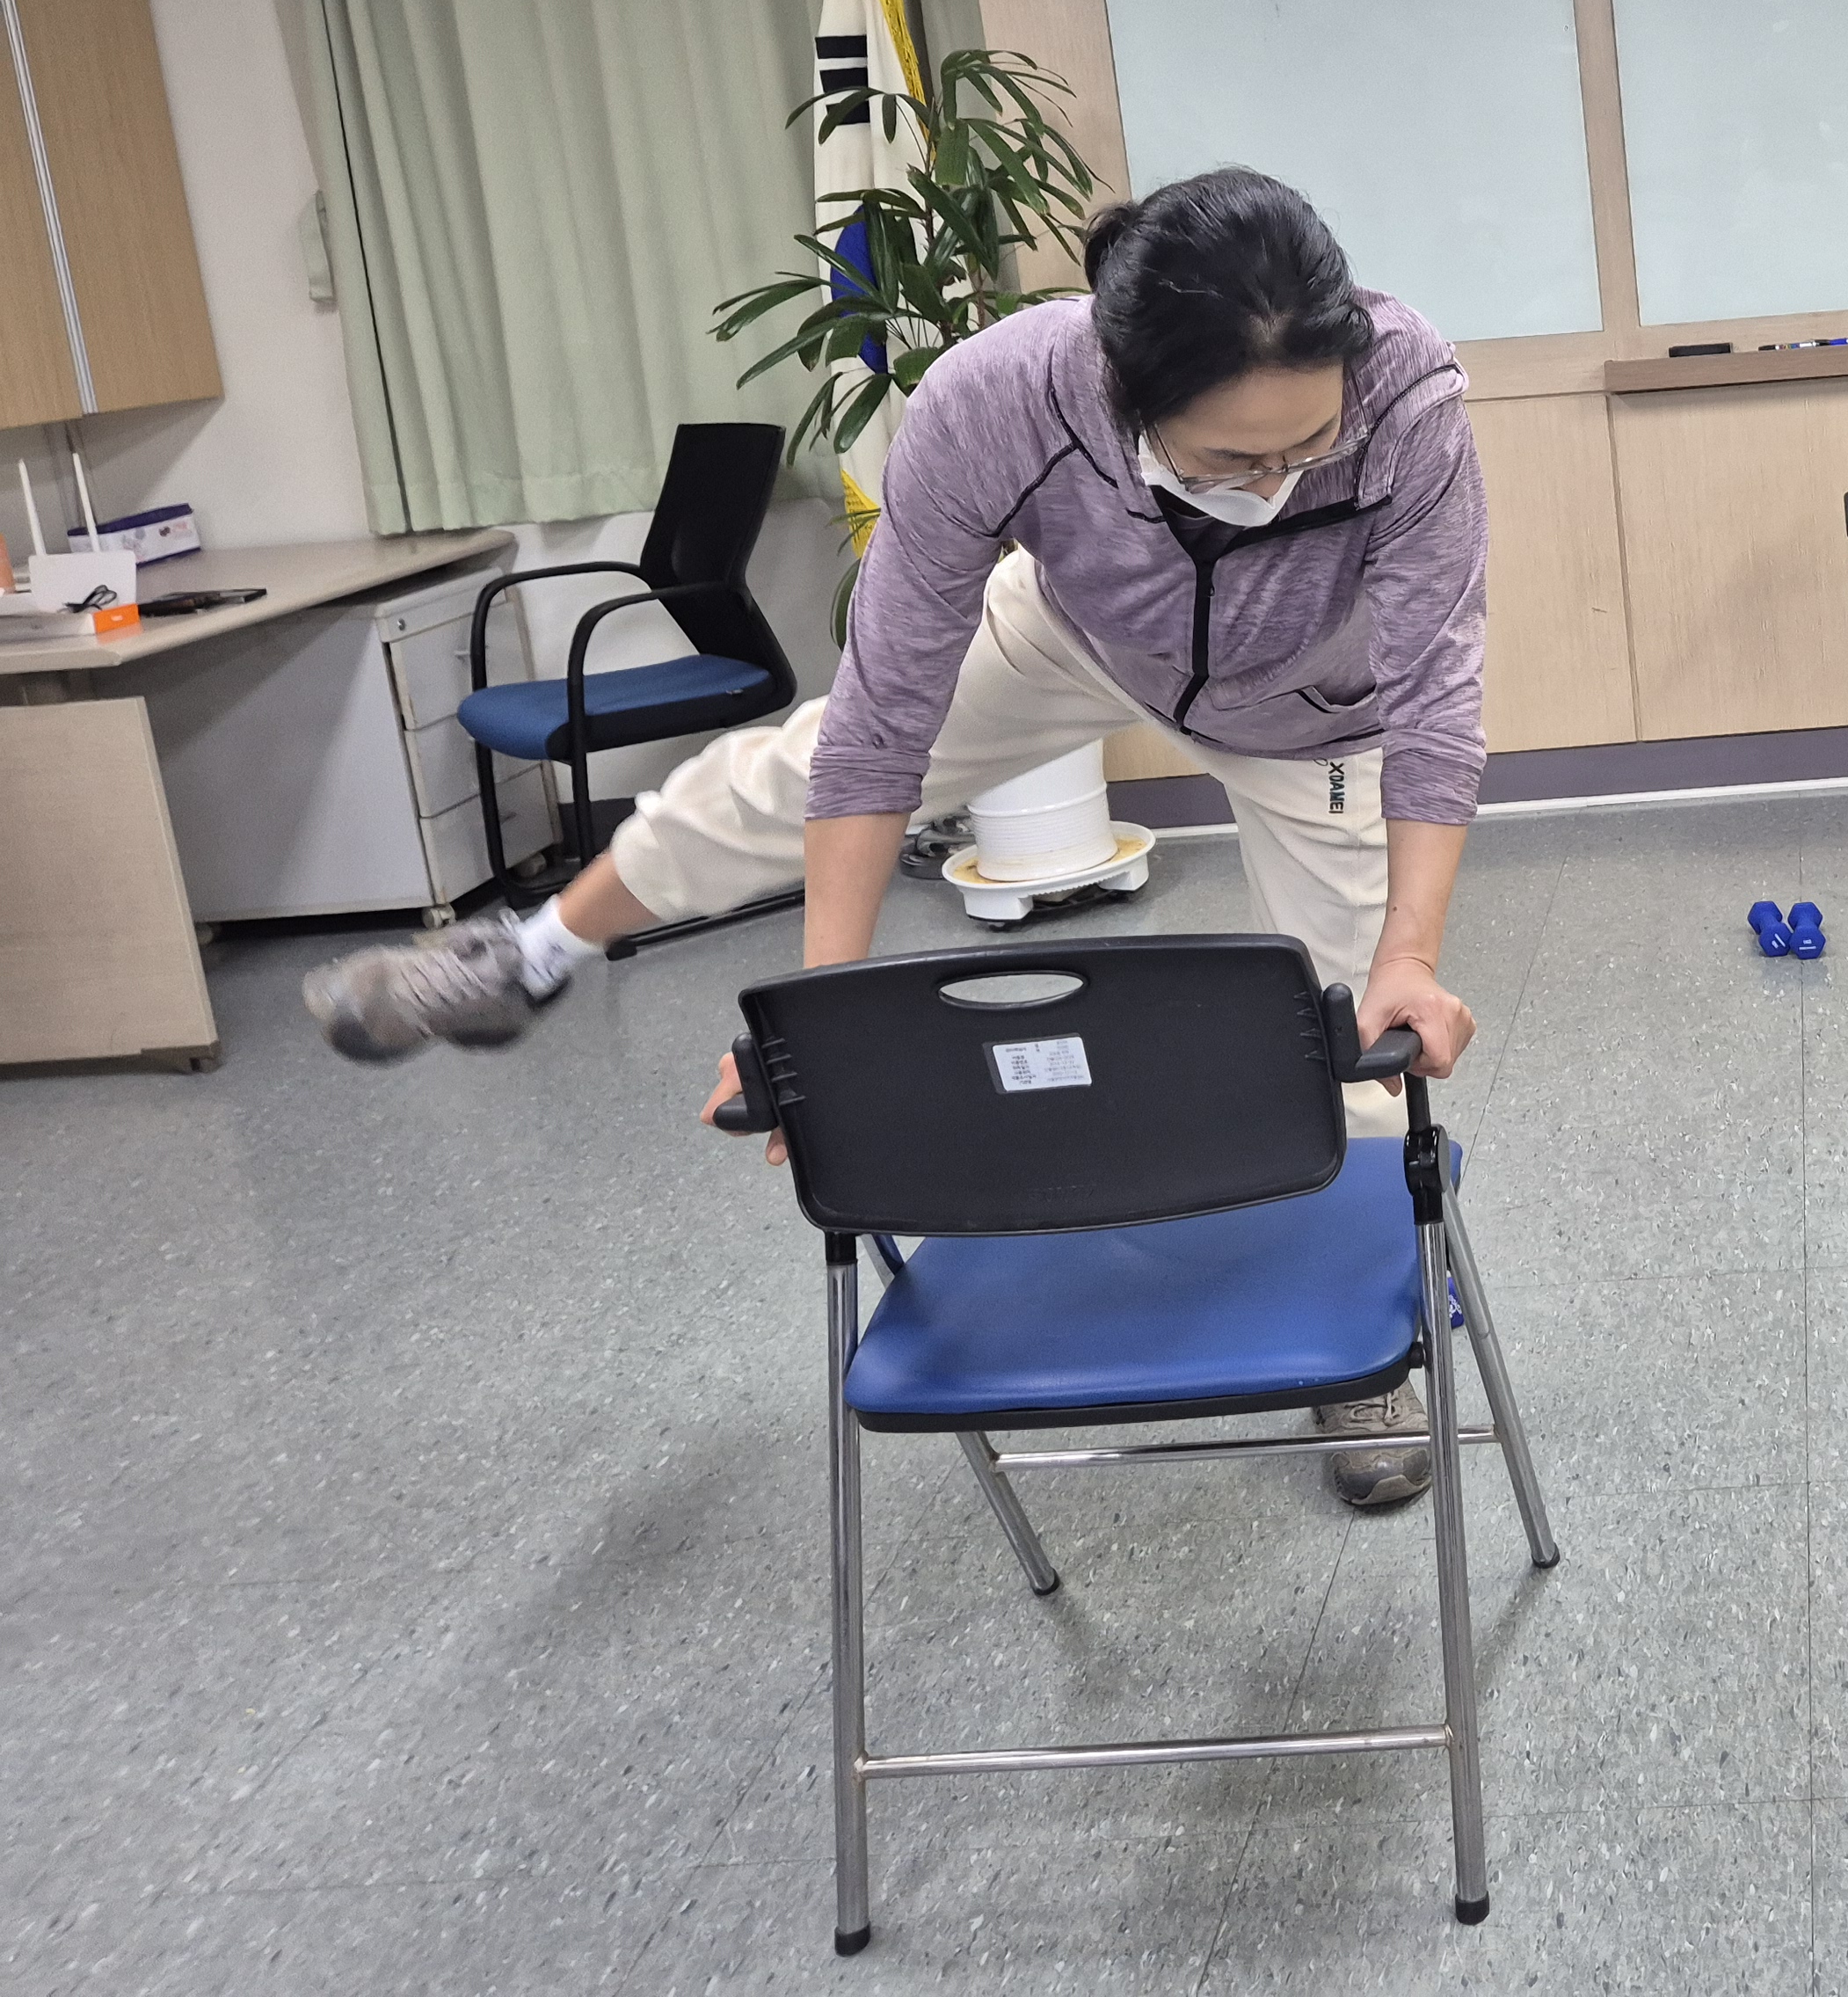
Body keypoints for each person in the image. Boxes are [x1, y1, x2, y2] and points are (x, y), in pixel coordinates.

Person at [304, 167, 1489, 1505]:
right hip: (1078, 636)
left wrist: (1413, 955)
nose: (1274, 484)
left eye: (1304, 450)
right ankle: (523, 958)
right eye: (1231, 459)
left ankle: (1362, 1350)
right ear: (1123, 395)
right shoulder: (998, 400)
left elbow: (1437, 694)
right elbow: (880, 727)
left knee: (1356, 1032)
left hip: (1319, 710)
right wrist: (829, 1033)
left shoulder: (1406, 397)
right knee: (784, 774)